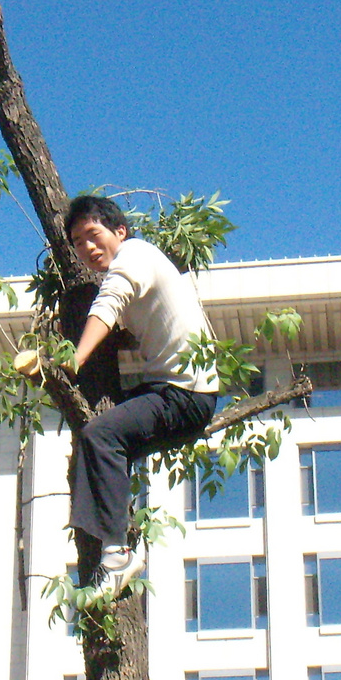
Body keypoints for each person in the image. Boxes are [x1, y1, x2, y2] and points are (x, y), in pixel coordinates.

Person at [63, 195, 219, 596]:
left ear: (120, 231)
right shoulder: (143, 264)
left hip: (183, 395)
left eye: (93, 235)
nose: (87, 248)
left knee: (101, 435)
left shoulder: (133, 256)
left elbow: (109, 302)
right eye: (78, 243)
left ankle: (117, 554)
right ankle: (103, 535)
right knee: (97, 442)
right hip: (174, 390)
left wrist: (76, 359)